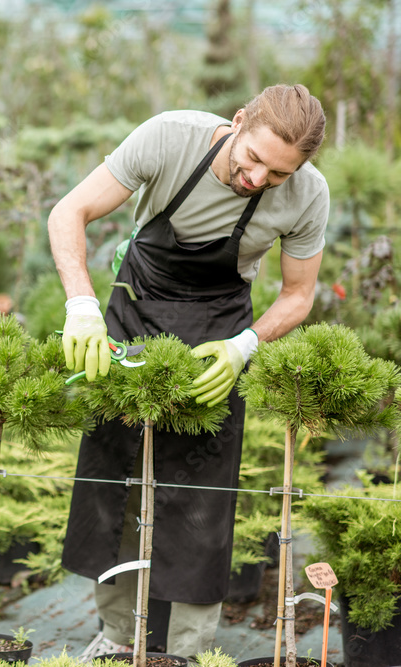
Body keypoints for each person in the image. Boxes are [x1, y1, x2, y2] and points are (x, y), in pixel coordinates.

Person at [50, 84, 328, 660]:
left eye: (276, 175)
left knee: (202, 494)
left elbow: (299, 295)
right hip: (134, 316)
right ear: (238, 120)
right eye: (252, 159)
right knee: (114, 477)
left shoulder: (307, 195)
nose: (257, 179)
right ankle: (117, 637)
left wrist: (243, 347)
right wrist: (81, 306)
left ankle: (189, 650)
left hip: (219, 331)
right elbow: (68, 211)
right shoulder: (168, 137)